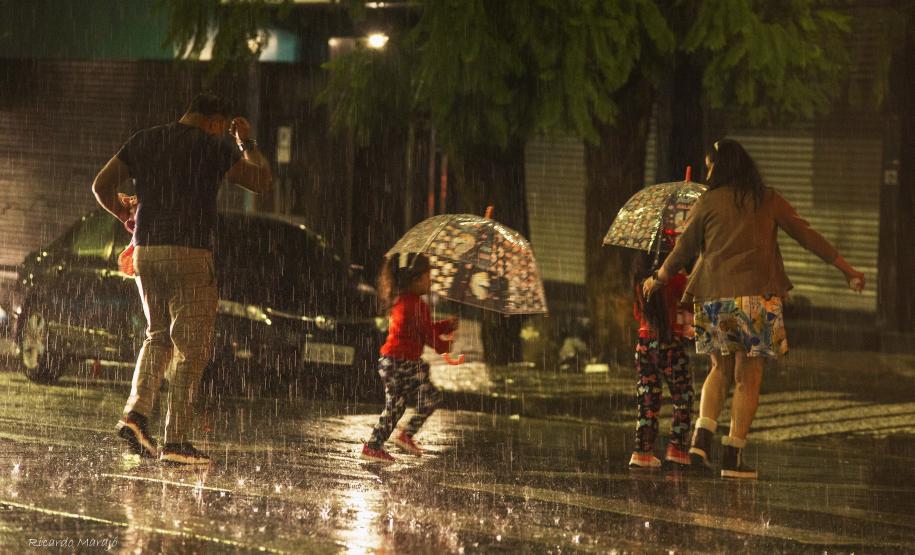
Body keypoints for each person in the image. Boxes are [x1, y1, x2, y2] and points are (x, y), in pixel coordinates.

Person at [643, 138, 865, 479]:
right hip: (757, 296)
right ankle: (733, 456)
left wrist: (658, 277)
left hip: (714, 296)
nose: (707, 171)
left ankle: (701, 440)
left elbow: (684, 249)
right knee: (749, 377)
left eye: (709, 165)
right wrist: (846, 270)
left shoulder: (708, 202)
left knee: (719, 369)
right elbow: (806, 235)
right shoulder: (768, 199)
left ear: (718, 166)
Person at [91, 92, 272, 465]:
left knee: (157, 336)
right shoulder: (211, 146)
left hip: (146, 252)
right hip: (190, 252)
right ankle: (176, 440)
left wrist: (126, 217)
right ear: (214, 122)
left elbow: (101, 186)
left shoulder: (145, 138)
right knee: (192, 349)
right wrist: (246, 143)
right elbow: (261, 181)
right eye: (221, 127)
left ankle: (136, 415)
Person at [361, 253, 458, 463]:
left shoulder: (405, 300)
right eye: (428, 276)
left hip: (392, 360)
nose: (431, 280)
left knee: (396, 406)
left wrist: (447, 325)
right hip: (402, 362)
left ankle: (374, 445)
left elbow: (424, 330)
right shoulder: (416, 305)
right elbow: (429, 336)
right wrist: (447, 344)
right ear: (416, 280)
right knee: (430, 397)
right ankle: (402, 436)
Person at [628, 248, 695, 469]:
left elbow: (638, 315)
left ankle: (642, 451)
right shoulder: (674, 278)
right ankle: (677, 447)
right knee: (682, 395)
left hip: (645, 343)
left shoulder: (639, 281)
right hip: (669, 344)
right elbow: (685, 304)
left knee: (648, 398)